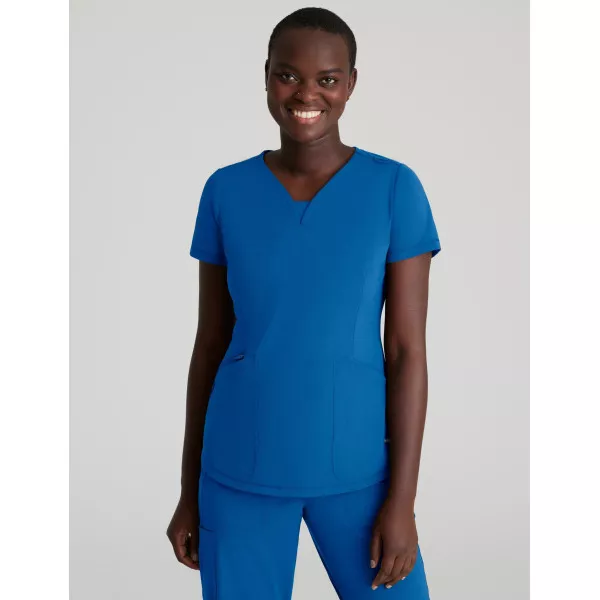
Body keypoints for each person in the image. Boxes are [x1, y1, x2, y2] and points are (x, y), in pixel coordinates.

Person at [166, 7, 441, 599]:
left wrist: (402, 502)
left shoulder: (394, 188)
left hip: (359, 472)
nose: (306, 94)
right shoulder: (225, 190)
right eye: (288, 75)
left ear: (351, 84)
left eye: (328, 79)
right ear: (266, 77)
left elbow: (406, 352)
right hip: (238, 471)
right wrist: (189, 491)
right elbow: (210, 345)